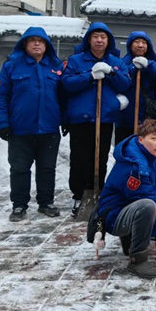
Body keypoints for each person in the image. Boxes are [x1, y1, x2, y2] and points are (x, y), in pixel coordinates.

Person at [0, 27, 64, 222]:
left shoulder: (56, 67)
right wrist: (2, 123)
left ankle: (46, 202)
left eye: (40, 41)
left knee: (47, 168)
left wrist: (65, 120)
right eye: (32, 40)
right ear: (24, 44)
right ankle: (19, 204)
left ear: (46, 45)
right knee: (19, 169)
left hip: (49, 129)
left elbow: (64, 97)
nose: (37, 44)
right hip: (20, 129)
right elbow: (0, 96)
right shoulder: (12, 66)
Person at [62, 22, 131, 217]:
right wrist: (90, 76)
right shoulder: (76, 60)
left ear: (108, 41)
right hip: (81, 119)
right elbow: (67, 83)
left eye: (103, 37)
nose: (99, 40)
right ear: (89, 39)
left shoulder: (116, 62)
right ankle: (79, 195)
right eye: (95, 36)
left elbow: (125, 84)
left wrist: (111, 73)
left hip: (104, 118)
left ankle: (97, 193)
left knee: (99, 158)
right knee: (79, 158)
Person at [97, 119, 156, 279]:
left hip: (127, 209)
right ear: (141, 139)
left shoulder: (146, 153)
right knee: (148, 207)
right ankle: (137, 259)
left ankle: (130, 240)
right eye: (153, 138)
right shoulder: (136, 167)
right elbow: (148, 200)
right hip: (113, 217)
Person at [115, 32, 156, 145]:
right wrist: (133, 68)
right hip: (126, 116)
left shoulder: (155, 64)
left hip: (147, 114)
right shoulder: (122, 63)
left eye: (144, 42)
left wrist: (148, 66)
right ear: (130, 45)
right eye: (137, 42)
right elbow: (120, 81)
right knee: (125, 145)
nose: (140, 45)